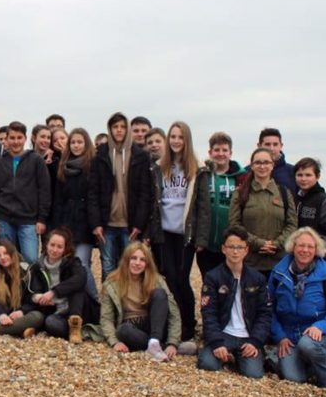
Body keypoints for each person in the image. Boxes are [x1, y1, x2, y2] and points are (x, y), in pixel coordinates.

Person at [149, 121, 209, 347]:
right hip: (164, 233)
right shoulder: (159, 167)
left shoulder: (198, 169)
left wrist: (201, 238)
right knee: (168, 277)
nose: (175, 141)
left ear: (186, 140)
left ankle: (188, 324)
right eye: (172, 137)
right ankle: (172, 324)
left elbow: (203, 207)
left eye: (179, 137)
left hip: (186, 234)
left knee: (181, 279)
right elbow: (155, 203)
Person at [269, 227, 326, 388]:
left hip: (319, 336)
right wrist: (280, 337)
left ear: (316, 250)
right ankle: (303, 365)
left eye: (310, 247)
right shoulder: (278, 274)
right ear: (293, 247)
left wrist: (321, 326)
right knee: (293, 378)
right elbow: (269, 310)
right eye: (301, 245)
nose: (305, 250)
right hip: (289, 337)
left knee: (307, 345)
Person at [84, 241, 180, 361]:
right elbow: (106, 318)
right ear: (126, 260)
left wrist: (173, 342)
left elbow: (173, 312)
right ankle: (157, 347)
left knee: (160, 294)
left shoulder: (156, 279)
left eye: (142, 260)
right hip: (131, 328)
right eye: (133, 258)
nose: (137, 263)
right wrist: (114, 342)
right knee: (123, 330)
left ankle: (156, 343)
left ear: (147, 263)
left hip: (155, 324)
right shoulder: (112, 282)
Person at [197, 226, 271, 378]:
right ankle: (225, 353)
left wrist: (255, 341)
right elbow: (208, 313)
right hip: (224, 333)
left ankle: (238, 357)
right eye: (231, 247)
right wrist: (217, 342)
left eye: (239, 247)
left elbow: (265, 313)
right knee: (207, 364)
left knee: (254, 374)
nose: (235, 251)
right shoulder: (213, 277)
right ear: (224, 249)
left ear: (246, 250)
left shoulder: (257, 279)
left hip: (247, 335)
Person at [87, 112, 152, 280]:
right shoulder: (100, 154)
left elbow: (145, 193)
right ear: (110, 129)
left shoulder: (140, 156)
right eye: (115, 127)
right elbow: (92, 192)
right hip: (106, 223)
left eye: (123, 126)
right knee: (108, 266)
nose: (119, 130)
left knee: (131, 266)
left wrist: (139, 224)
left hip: (130, 224)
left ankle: (128, 305)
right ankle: (108, 304)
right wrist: (96, 223)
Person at [0, 121, 50, 262]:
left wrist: (42, 219)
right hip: (4, 218)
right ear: (7, 139)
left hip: (28, 219)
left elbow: (44, 191)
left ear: (25, 139)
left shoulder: (36, 161)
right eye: (12, 138)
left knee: (30, 259)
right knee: (7, 259)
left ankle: (28, 284)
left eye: (19, 138)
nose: (16, 142)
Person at [229, 148, 297, 277]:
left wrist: (276, 244)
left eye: (266, 162)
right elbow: (235, 225)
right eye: (258, 163)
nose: (262, 166)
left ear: (272, 165)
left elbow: (292, 224)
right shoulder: (240, 193)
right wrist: (258, 243)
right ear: (252, 166)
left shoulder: (284, 193)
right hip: (249, 261)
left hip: (280, 263)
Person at [24, 228, 97, 343]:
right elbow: (29, 292)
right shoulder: (37, 267)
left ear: (65, 249)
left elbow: (81, 279)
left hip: (78, 309)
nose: (54, 250)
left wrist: (54, 292)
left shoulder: (73, 262)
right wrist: (37, 297)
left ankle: (75, 329)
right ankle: (53, 328)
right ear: (46, 245)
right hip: (56, 312)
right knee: (51, 322)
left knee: (76, 288)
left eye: (59, 247)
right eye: (52, 245)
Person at [51, 128, 98, 300]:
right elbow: (58, 199)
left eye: (80, 142)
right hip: (66, 221)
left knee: (82, 264)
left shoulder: (93, 165)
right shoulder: (63, 166)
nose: (76, 145)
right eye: (73, 142)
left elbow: (95, 196)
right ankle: (78, 304)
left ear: (86, 144)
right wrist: (57, 227)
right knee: (68, 266)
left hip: (85, 221)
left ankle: (95, 301)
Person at [196, 132, 247, 277]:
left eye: (224, 150)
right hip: (207, 242)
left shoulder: (241, 177)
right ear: (210, 152)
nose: (221, 154)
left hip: (231, 242)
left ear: (230, 153)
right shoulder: (203, 175)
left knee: (230, 281)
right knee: (209, 281)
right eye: (217, 150)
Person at [0, 240, 45, 339]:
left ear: (12, 253)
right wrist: (1, 314)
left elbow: (32, 298)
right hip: (1, 313)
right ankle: (19, 329)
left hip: (21, 313)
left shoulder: (27, 271)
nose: (2, 258)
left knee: (38, 317)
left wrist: (21, 311)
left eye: (6, 253)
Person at [294, 157, 326, 261]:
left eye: (308, 175)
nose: (303, 179)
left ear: (317, 176)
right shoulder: (295, 199)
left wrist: (319, 251)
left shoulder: (324, 202)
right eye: (300, 175)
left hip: (317, 260)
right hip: (296, 257)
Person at [255, 128, 296, 194]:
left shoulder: (294, 172)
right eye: (267, 144)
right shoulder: (247, 172)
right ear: (259, 146)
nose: (271, 148)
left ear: (281, 146)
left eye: (275, 144)